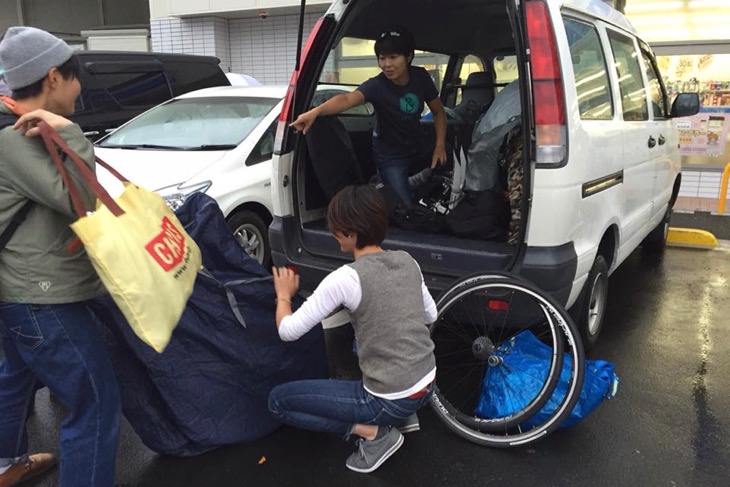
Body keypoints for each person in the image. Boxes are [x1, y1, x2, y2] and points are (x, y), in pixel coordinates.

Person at [0, 27, 121, 487]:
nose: (80, 87)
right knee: (95, 400)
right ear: (53, 77)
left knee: (14, 373)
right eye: (75, 77)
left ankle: (7, 462)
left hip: (16, 288)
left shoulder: (12, 127)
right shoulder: (16, 138)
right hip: (40, 297)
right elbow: (79, 201)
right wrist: (72, 132)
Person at [268, 184, 438, 473]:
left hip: (388, 397)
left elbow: (288, 330)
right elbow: (430, 314)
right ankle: (402, 415)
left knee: (278, 402)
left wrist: (283, 295)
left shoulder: (345, 279)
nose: (333, 234)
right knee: (361, 338)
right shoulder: (407, 260)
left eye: (336, 229)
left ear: (350, 233)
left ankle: (374, 434)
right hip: (427, 384)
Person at [291, 27, 448, 206]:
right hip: (390, 154)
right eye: (382, 58)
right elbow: (346, 99)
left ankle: (406, 184)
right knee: (403, 206)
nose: (387, 64)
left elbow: (438, 112)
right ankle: (385, 187)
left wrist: (440, 145)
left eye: (393, 57)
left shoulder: (420, 77)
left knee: (449, 159)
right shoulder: (376, 86)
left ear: (409, 57)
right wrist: (315, 112)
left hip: (417, 144)